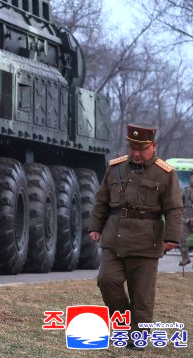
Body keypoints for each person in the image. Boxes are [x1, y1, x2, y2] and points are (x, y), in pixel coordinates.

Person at [88, 124, 183, 335]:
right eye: (132, 147)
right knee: (106, 280)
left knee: (142, 293)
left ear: (154, 146)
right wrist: (95, 226)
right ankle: (123, 321)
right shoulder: (116, 168)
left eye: (141, 148)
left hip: (146, 241)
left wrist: (172, 237)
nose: (135, 153)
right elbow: (102, 201)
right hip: (115, 238)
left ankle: (138, 334)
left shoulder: (165, 173)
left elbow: (174, 209)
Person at [181, 179, 193, 266]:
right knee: (182, 239)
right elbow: (180, 203)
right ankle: (185, 259)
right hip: (186, 219)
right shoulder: (185, 190)